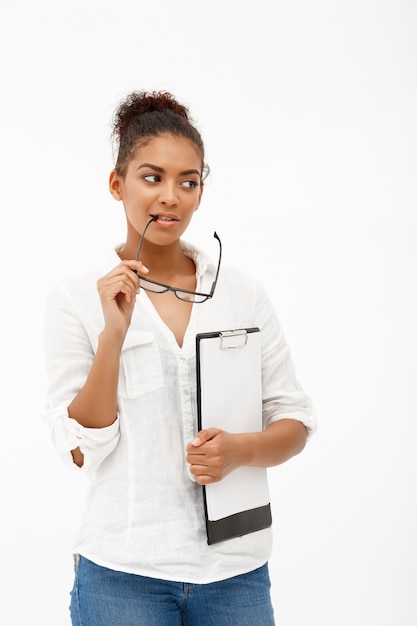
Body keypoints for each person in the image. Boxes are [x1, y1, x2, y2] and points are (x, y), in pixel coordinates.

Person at [43, 89, 317, 626]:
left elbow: (296, 419)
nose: (171, 196)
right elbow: (82, 451)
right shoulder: (75, 298)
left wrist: (242, 449)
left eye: (187, 182)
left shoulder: (241, 293)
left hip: (235, 573)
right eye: (152, 177)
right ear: (117, 184)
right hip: (123, 574)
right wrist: (113, 336)